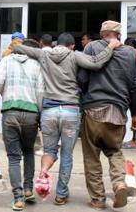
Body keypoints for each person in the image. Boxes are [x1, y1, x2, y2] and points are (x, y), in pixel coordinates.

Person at [14, 32, 120, 205]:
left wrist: (16, 43)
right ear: (72, 45)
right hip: (70, 110)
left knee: (49, 151)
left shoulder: (43, 53)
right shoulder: (74, 55)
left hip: (49, 111)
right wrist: (110, 46)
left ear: (57, 44)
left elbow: (19, 48)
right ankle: (61, 194)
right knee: (67, 155)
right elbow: (96, 63)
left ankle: (44, 170)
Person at [77, 20, 136, 210]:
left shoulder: (91, 47)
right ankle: (119, 184)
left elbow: (82, 79)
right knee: (115, 151)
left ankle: (98, 199)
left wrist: (84, 94)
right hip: (118, 112)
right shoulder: (131, 54)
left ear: (102, 33)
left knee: (91, 157)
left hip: (93, 111)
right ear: (119, 35)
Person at [0, 39, 44, 211]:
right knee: (29, 151)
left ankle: (18, 199)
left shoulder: (6, 61)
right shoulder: (37, 65)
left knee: (14, 157)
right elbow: (40, 92)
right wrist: (39, 115)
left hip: (10, 112)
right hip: (31, 114)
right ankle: (28, 189)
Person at [122, 37, 136, 150]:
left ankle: (133, 141)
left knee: (123, 115)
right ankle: (134, 141)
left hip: (129, 90)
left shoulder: (129, 55)